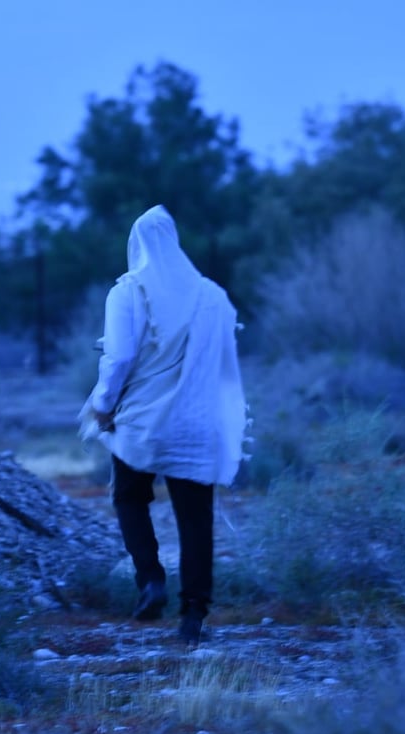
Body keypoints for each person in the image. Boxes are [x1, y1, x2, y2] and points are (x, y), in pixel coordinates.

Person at [79, 205, 247, 644]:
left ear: (136, 245)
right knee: (195, 518)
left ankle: (151, 579)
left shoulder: (129, 291)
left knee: (129, 497)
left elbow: (118, 357)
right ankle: (193, 617)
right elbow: (225, 365)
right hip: (196, 422)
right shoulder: (211, 295)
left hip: (142, 422)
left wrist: (103, 405)